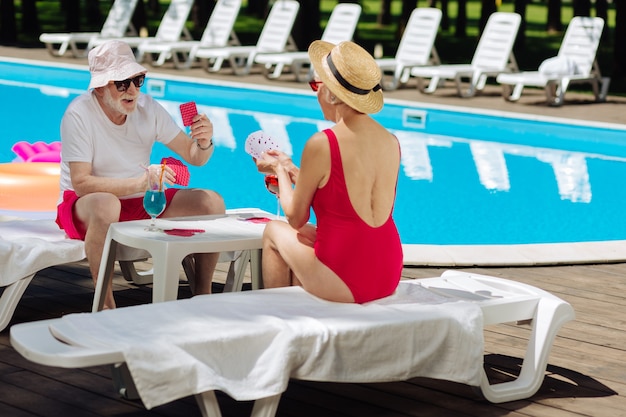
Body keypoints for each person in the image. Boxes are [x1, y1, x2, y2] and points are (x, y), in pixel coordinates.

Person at [56, 40, 225, 309]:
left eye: (137, 80)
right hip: (86, 206)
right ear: (100, 87)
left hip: (141, 200)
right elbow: (81, 184)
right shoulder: (79, 114)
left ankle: (202, 295)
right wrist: (140, 182)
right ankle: (105, 303)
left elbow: (195, 157)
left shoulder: (149, 108)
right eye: (122, 83)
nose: (132, 90)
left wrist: (204, 141)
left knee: (211, 202)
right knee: (106, 203)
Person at [255, 40, 403, 303]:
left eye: (316, 86)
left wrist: (278, 169)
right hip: (388, 271)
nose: (315, 94)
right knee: (309, 237)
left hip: (345, 276)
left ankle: (278, 318)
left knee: (275, 232)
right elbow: (345, 192)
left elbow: (295, 218)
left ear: (333, 94)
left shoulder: (322, 143)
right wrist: (292, 169)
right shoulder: (391, 141)